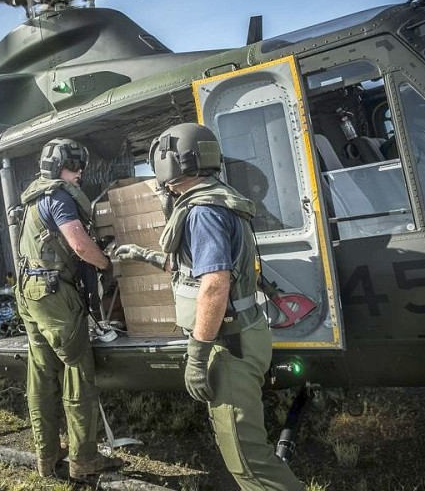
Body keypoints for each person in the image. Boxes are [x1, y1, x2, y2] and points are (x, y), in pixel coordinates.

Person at [114, 123, 304, 491]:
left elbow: (215, 284)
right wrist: (141, 254)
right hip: (241, 336)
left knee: (249, 462)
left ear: (171, 165)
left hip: (228, 346)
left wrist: (197, 356)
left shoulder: (202, 212)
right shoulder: (218, 198)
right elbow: (191, 267)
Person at [16, 138, 122, 480]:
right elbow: (78, 243)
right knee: (78, 371)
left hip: (30, 292)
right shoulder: (58, 197)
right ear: (62, 166)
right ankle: (84, 460)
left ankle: (46, 457)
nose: (79, 174)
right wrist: (106, 262)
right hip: (54, 295)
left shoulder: (34, 197)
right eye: (75, 167)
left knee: (41, 373)